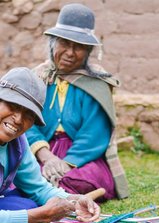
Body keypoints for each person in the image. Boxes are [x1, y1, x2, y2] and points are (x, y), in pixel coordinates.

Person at [26, 3, 129, 201]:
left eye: (79, 46)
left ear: (88, 51)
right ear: (52, 43)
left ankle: (52, 194)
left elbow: (94, 134)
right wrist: (46, 156)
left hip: (80, 157)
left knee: (83, 179)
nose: (70, 52)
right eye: (64, 43)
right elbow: (26, 123)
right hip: (40, 151)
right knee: (22, 175)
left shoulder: (96, 84)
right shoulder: (36, 78)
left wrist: (66, 164)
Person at [0, 67, 100, 223]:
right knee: (30, 211)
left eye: (28, 115)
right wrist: (39, 216)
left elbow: (38, 189)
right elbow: (38, 213)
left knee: (26, 203)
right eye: (13, 105)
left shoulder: (18, 144)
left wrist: (74, 201)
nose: (18, 119)